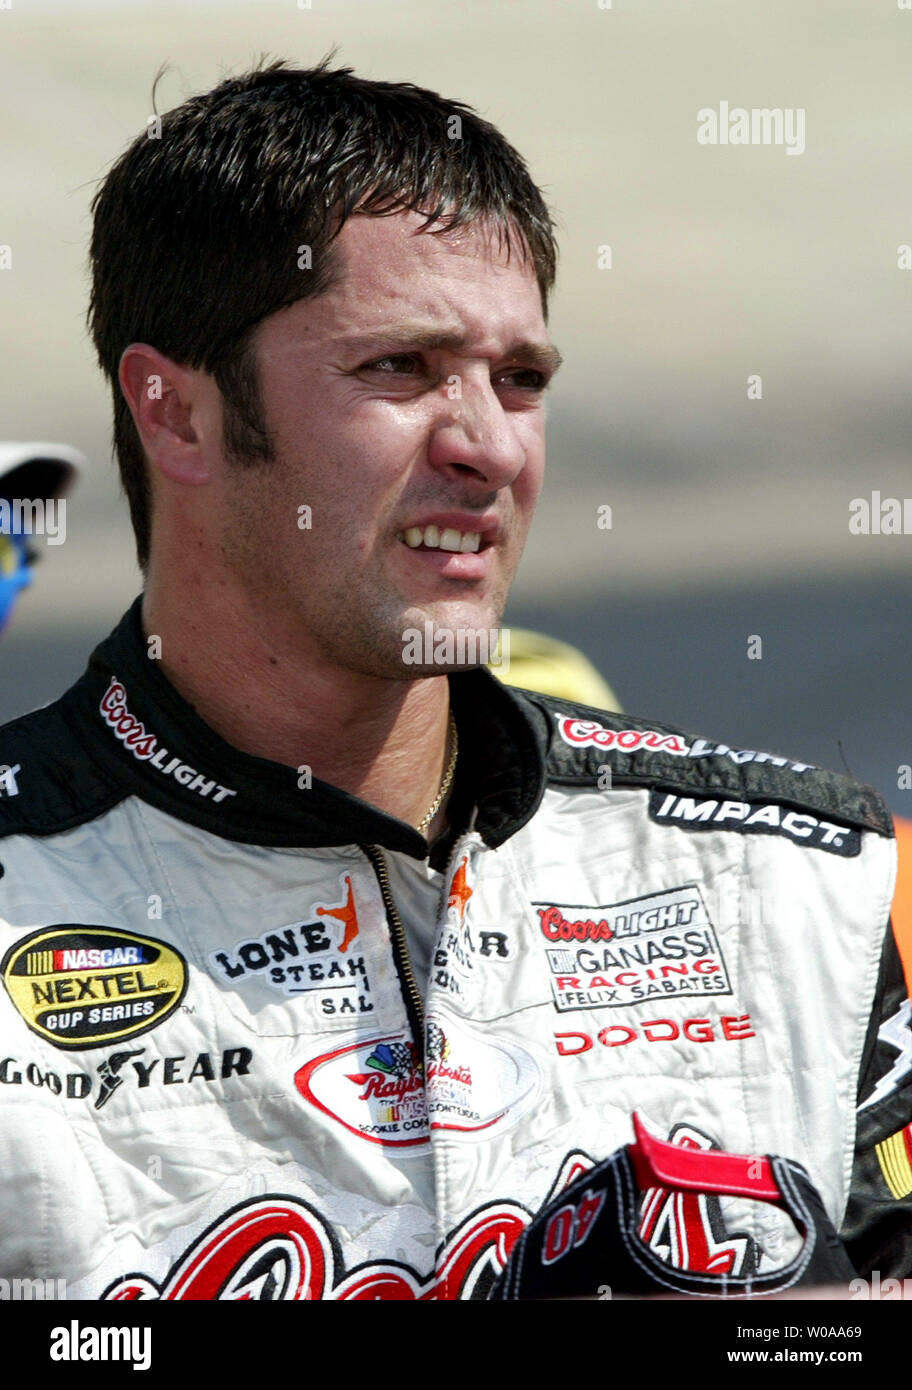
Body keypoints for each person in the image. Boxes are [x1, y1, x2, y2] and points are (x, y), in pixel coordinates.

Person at [0, 57, 907, 1301]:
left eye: (520, 379)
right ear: (177, 414)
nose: (489, 447)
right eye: (403, 370)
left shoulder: (797, 879)